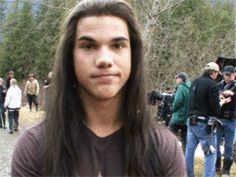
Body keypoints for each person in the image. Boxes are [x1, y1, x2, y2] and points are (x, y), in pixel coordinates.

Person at [11, 0, 187, 177]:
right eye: (88, 46)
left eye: (117, 45)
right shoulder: (35, 148)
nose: (104, 59)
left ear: (133, 55)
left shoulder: (164, 149)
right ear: (70, 56)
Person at [185, 62, 230, 177]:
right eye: (217, 73)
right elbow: (215, 109)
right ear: (214, 73)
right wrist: (222, 102)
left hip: (191, 121)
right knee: (210, 153)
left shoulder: (194, 82)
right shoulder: (212, 85)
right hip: (204, 124)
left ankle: (187, 174)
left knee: (189, 152)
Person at [215, 65, 236, 176]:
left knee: (228, 146)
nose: (227, 77)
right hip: (219, 119)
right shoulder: (219, 85)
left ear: (234, 75)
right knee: (216, 143)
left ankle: (226, 170)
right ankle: (217, 165)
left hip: (231, 120)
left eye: (229, 75)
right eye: (225, 75)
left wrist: (232, 94)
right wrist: (220, 96)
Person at [169, 72, 191, 152]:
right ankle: (184, 155)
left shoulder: (181, 87)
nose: (176, 80)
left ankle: (171, 152)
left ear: (181, 79)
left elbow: (178, 101)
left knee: (171, 136)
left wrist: (172, 109)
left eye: (177, 78)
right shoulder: (191, 87)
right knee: (185, 138)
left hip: (178, 117)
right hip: (187, 118)